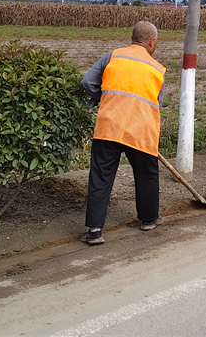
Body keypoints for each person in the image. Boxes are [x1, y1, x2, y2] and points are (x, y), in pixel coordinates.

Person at [79, 21, 166, 245]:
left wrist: (105, 98)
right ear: (152, 42)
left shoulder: (112, 56)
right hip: (141, 130)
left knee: (100, 176)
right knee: (147, 174)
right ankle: (149, 219)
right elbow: (158, 103)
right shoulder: (157, 69)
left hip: (109, 126)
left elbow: (87, 82)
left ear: (132, 38)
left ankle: (94, 231)